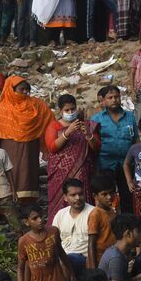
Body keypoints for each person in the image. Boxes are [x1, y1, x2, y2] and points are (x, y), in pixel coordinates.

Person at [45, 94, 100, 224]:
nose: (70, 112)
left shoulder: (87, 125)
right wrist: (67, 132)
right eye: (67, 110)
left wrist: (88, 134)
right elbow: (52, 147)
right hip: (60, 175)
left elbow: (96, 147)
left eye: (73, 109)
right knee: (61, 203)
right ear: (60, 111)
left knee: (82, 199)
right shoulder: (54, 126)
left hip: (83, 173)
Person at [0, 77, 55, 203]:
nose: (24, 92)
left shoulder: (37, 105)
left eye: (27, 90)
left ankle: (28, 206)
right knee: (9, 173)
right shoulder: (2, 109)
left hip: (30, 148)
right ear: (11, 90)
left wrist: (47, 147)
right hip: (8, 148)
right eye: (21, 89)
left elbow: (50, 122)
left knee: (28, 174)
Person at [90, 85, 138, 213]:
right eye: (110, 97)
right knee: (107, 197)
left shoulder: (130, 117)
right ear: (104, 100)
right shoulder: (96, 119)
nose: (114, 100)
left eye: (116, 97)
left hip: (127, 164)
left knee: (128, 195)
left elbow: (136, 140)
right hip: (105, 164)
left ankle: (127, 224)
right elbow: (92, 143)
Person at [17, 203, 73, 281]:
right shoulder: (23, 241)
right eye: (35, 218)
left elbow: (62, 255)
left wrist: (73, 277)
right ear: (26, 222)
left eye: (41, 216)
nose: (40, 220)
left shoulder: (53, 232)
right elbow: (20, 268)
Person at [51, 179, 95, 278]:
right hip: (63, 256)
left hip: (83, 259)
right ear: (65, 197)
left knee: (66, 259)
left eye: (80, 194)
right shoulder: (61, 214)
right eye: (73, 195)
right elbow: (53, 239)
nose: (78, 198)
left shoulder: (93, 213)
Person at [87, 175, 116, 269]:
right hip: (100, 260)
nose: (109, 197)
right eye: (104, 194)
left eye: (111, 193)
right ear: (95, 196)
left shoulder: (111, 210)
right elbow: (91, 243)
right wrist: (94, 269)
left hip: (111, 257)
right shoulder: (95, 214)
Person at [0, 144, 19, 232]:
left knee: (14, 220)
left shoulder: (1, 152)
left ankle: (20, 239)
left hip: (4, 192)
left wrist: (13, 191)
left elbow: (8, 172)